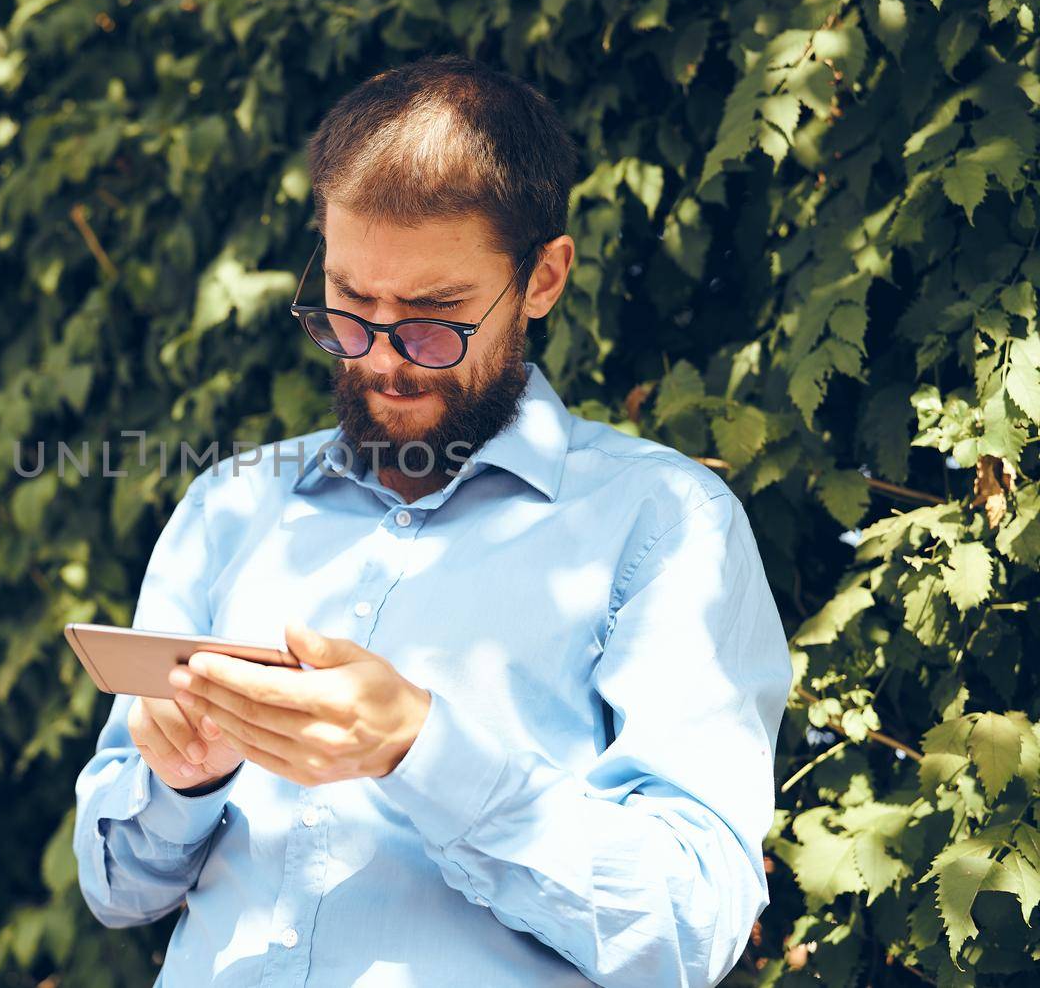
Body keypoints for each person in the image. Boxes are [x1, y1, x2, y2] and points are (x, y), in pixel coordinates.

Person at [72, 54, 793, 987]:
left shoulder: (663, 526)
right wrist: (186, 782)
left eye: (433, 315)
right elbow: (113, 887)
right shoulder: (230, 507)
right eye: (347, 303)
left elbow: (688, 925)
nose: (379, 356)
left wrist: (420, 747)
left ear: (542, 279)